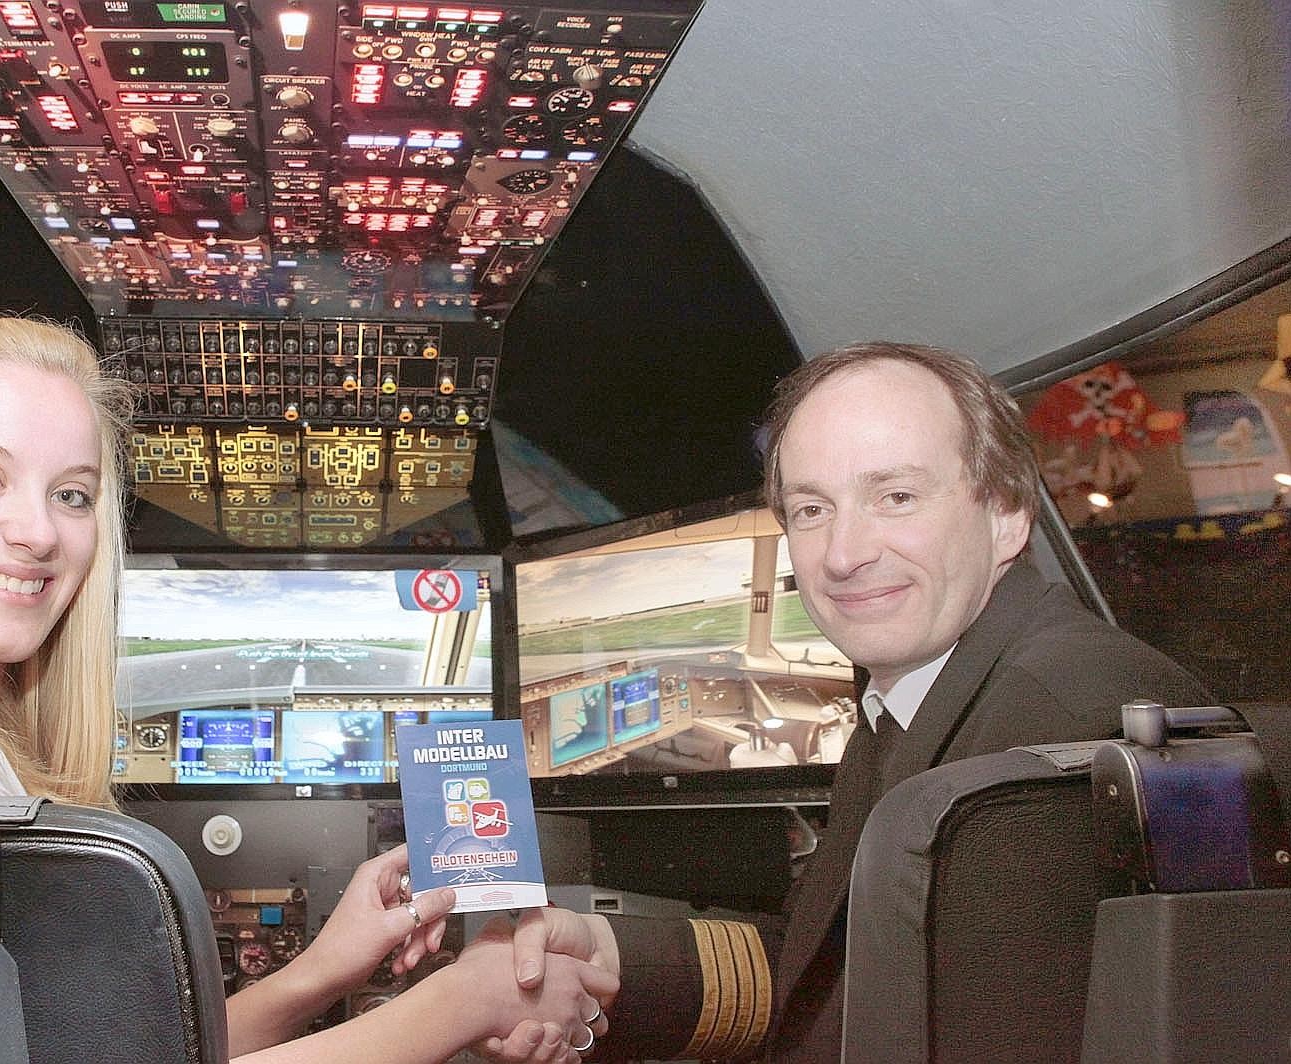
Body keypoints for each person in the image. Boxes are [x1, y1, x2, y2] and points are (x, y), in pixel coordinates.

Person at [0, 313, 611, 1064]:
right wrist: (459, 1005)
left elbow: (104, 1048)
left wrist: (320, 972)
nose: (38, 531)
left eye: (73, 494)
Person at [496, 342, 1211, 1063]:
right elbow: (830, 970)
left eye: (895, 497)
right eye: (812, 509)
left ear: (1007, 515)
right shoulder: (916, 693)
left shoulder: (1045, 746)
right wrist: (609, 956)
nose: (842, 554)